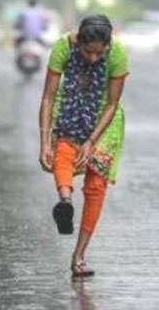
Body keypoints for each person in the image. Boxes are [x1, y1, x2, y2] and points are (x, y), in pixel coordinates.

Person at [38, 14, 129, 277]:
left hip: (105, 120)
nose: (93, 58)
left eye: (99, 53)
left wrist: (91, 141)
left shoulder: (118, 54)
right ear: (78, 42)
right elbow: (48, 97)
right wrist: (45, 141)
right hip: (69, 108)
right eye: (88, 52)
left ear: (108, 46)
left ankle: (79, 255)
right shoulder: (62, 48)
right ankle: (65, 202)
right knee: (63, 153)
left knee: (96, 185)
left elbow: (112, 103)